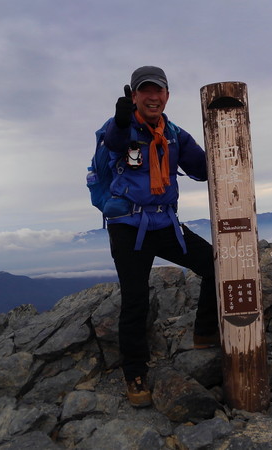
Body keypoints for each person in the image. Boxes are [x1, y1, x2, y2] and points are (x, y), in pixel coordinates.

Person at [101, 66, 220, 408]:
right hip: (129, 228)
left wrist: (227, 149)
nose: (153, 97)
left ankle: (205, 332)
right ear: (134, 95)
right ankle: (134, 373)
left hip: (165, 224)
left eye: (159, 91)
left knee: (214, 265)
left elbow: (200, 169)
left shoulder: (175, 134)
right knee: (135, 300)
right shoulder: (123, 128)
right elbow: (114, 141)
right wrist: (121, 121)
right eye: (145, 91)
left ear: (167, 95)